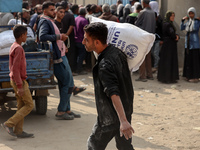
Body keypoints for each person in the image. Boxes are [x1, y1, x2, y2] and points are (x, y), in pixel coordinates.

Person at [83, 22, 135, 150]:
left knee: (93, 145)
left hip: (109, 118)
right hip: (125, 110)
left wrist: (122, 121)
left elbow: (113, 93)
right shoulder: (117, 52)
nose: (83, 42)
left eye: (86, 40)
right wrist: (124, 118)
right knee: (125, 146)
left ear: (97, 42)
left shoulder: (104, 65)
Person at [38, 1, 81, 120]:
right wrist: (59, 37)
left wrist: (61, 43)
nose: (54, 12)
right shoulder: (45, 21)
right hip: (57, 58)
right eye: (51, 10)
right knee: (68, 83)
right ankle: (61, 111)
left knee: (66, 83)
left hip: (61, 54)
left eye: (54, 9)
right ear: (45, 11)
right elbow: (42, 37)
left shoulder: (50, 21)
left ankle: (67, 109)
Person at [1, 25, 34, 138]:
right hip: (18, 81)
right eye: (25, 34)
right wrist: (20, 85)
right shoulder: (19, 48)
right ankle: (8, 124)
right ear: (21, 36)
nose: (26, 36)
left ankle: (18, 131)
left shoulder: (14, 45)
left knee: (21, 105)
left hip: (15, 80)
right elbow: (15, 68)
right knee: (29, 105)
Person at [135, 0, 156, 82]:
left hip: (143, 37)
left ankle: (142, 76)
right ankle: (149, 74)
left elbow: (137, 24)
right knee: (148, 56)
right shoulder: (153, 13)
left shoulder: (142, 12)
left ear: (143, 3)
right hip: (150, 37)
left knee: (142, 57)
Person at [157, 11, 179, 83]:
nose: (173, 17)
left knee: (166, 60)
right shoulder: (168, 25)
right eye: (172, 16)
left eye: (174, 16)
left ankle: (165, 78)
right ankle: (168, 78)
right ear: (168, 16)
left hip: (167, 44)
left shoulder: (166, 24)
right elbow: (172, 34)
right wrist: (176, 37)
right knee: (169, 61)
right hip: (169, 45)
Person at [181, 7, 200, 83]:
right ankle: (188, 75)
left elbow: (195, 28)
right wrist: (182, 21)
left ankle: (195, 77)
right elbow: (181, 27)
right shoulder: (188, 22)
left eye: (192, 13)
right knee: (188, 60)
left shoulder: (196, 21)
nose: (191, 15)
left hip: (194, 44)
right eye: (189, 13)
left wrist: (195, 20)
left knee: (194, 61)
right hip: (188, 43)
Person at [60, 1, 77, 75]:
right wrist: (66, 35)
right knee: (70, 54)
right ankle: (70, 71)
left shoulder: (58, 15)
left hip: (60, 37)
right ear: (67, 7)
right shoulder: (70, 15)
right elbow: (71, 26)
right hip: (68, 38)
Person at [149, 1, 163, 73]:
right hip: (153, 39)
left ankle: (156, 66)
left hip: (158, 39)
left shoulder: (159, 19)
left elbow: (162, 30)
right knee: (152, 53)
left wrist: (162, 39)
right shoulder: (151, 16)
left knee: (155, 53)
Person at [74, 7, 89, 74]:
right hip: (81, 40)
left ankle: (77, 68)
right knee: (81, 56)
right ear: (85, 13)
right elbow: (87, 32)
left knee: (78, 55)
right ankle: (79, 69)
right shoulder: (84, 20)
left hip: (76, 40)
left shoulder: (76, 19)